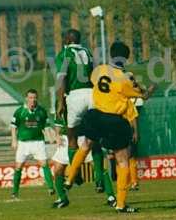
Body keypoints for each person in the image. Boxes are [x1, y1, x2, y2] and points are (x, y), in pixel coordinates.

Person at [65, 41, 155, 213]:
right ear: (127, 57)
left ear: (111, 55)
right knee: (122, 161)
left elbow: (93, 81)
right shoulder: (126, 77)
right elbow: (144, 95)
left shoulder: (99, 70)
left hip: (96, 115)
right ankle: (121, 204)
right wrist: (152, 88)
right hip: (114, 120)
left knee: (85, 146)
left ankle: (69, 178)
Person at [55, 29, 93, 185]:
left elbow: (62, 78)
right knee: (94, 138)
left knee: (72, 138)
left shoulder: (64, 54)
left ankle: (74, 173)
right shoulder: (88, 52)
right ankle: (99, 181)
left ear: (68, 39)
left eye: (64, 37)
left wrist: (60, 101)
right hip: (91, 94)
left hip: (75, 95)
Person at [10, 89, 54, 199]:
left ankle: (51, 188)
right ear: (26, 98)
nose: (33, 100)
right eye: (30, 98)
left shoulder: (42, 111)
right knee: (18, 167)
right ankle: (15, 192)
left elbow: (47, 126)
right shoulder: (19, 111)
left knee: (44, 164)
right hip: (23, 143)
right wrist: (14, 140)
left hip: (38, 142)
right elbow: (13, 127)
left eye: (34, 98)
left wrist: (50, 137)